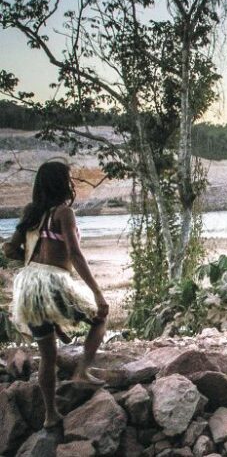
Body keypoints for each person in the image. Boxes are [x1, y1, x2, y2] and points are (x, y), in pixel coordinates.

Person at [3, 161, 109, 428]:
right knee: (99, 317)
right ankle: (83, 370)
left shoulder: (31, 213)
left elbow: (9, 250)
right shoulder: (64, 213)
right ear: (62, 183)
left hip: (28, 284)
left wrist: (31, 256)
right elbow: (75, 254)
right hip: (52, 280)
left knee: (47, 355)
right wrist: (98, 293)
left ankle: (51, 414)